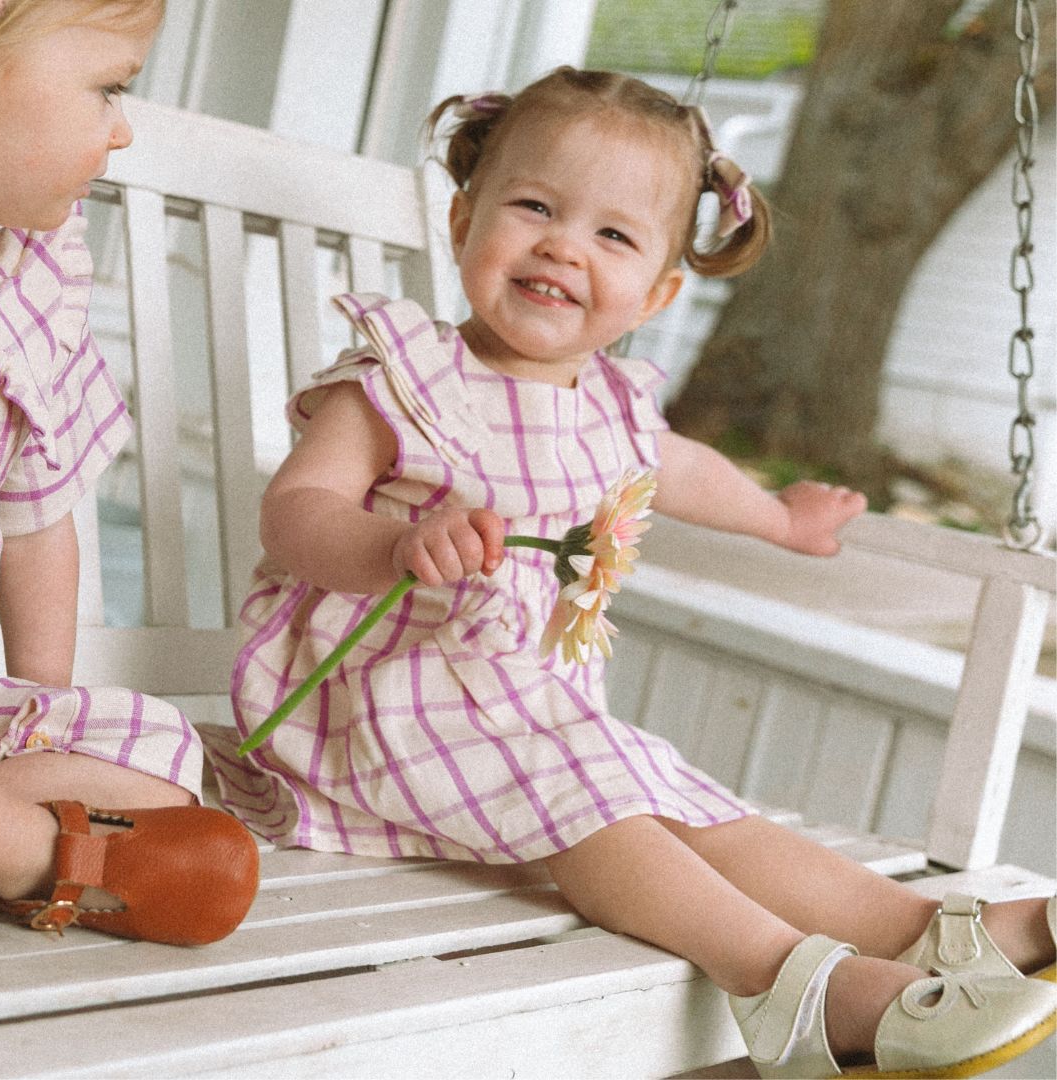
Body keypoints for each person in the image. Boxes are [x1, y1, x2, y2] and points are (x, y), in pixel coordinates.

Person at [211, 67, 1056, 1075]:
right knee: (604, 802)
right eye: (534, 208)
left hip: (527, 713)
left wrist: (777, 517)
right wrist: (393, 547)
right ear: (465, 217)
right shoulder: (398, 380)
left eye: (613, 235)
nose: (564, 245)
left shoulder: (611, 405)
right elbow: (296, 514)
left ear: (656, 290)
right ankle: (791, 983)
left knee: (690, 801)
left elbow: (683, 471)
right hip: (376, 712)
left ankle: (919, 929)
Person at [0, 0, 258, 946]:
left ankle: (5, 819)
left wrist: (42, 709)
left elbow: (34, 507)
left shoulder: (27, 272)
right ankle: (25, 852)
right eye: (107, 88)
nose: (124, 125)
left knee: (163, 751)